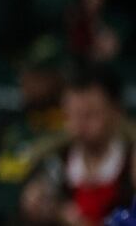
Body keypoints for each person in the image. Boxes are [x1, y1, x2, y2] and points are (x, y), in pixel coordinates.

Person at [20, 65, 136, 226]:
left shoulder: (131, 163)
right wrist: (36, 204)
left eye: (90, 115)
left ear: (116, 111)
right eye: (72, 115)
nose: (80, 125)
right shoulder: (56, 158)